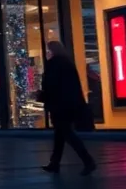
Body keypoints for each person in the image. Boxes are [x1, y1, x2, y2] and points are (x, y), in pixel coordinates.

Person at [39, 41, 96, 175]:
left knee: (66, 134)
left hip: (59, 105)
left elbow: (52, 85)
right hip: (67, 104)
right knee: (60, 135)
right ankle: (55, 163)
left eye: (48, 50)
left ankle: (88, 161)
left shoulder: (55, 65)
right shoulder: (67, 63)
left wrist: (45, 96)